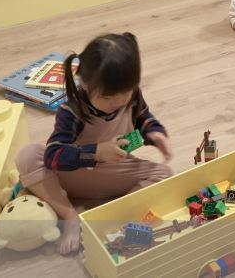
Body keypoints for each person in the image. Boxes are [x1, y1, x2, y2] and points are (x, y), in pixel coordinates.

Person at [15, 33, 171, 255]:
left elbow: (143, 118)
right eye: (108, 97)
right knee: (28, 155)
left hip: (113, 172)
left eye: (125, 93)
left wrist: (155, 133)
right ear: (86, 84)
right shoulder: (72, 110)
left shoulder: (132, 95)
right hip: (74, 174)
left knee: (165, 174)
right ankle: (70, 216)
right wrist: (96, 152)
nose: (119, 102)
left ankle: (113, 219)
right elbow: (53, 156)